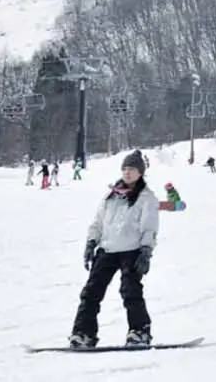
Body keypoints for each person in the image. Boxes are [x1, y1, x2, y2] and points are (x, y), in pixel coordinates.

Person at [68, 150, 159, 349]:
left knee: (130, 290)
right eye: (125, 169)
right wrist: (91, 243)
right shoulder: (110, 196)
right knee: (91, 292)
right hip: (107, 250)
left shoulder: (146, 198)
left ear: (140, 173)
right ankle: (83, 333)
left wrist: (146, 251)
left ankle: (139, 331)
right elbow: (98, 222)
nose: (127, 173)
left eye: (132, 169)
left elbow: (149, 227)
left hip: (132, 250)